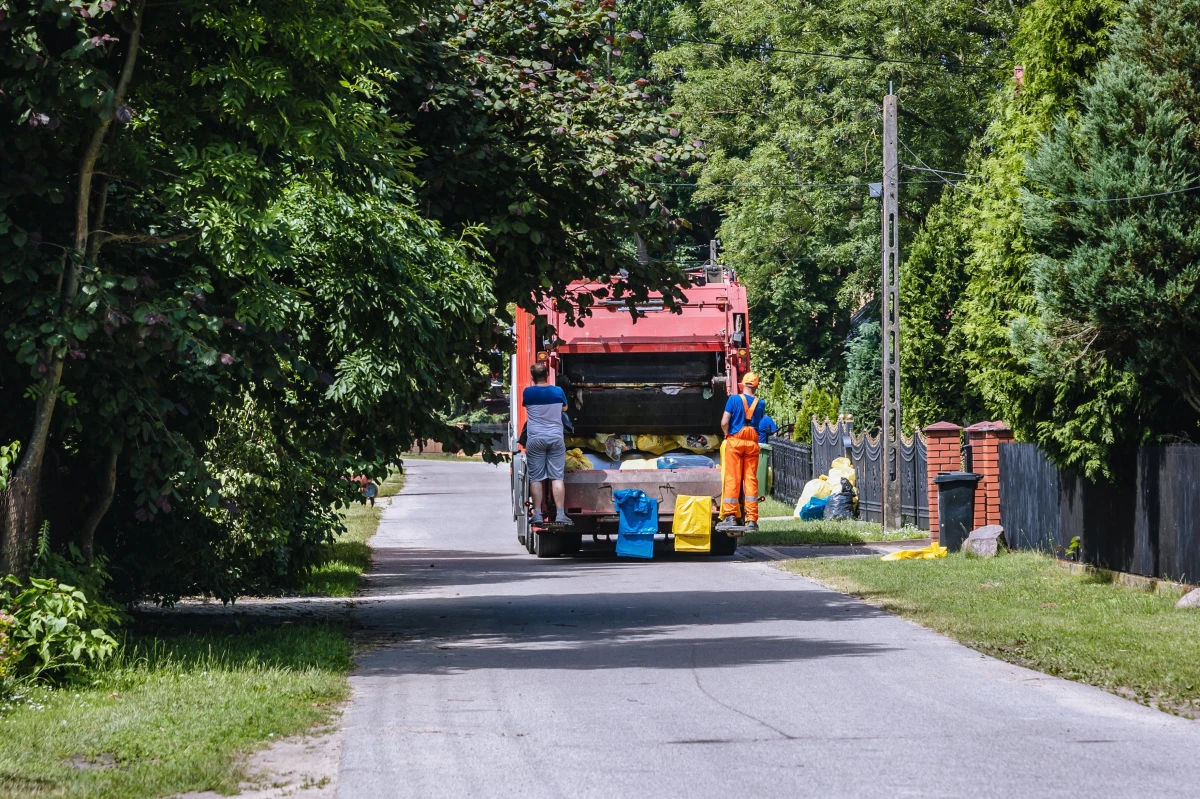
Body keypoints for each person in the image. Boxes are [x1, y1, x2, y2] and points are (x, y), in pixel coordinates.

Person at [522, 362, 572, 525]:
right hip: (555, 438)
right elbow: (565, 408)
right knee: (557, 477)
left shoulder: (528, 392)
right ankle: (560, 514)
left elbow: (527, 407)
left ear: (532, 377)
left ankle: (537, 514)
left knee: (536, 478)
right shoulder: (558, 391)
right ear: (547, 375)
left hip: (535, 439)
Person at [718, 371, 765, 533]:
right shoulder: (760, 404)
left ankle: (731, 516)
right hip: (752, 444)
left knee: (733, 478)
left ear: (742, 384)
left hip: (735, 442)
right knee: (750, 480)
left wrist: (727, 434)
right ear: (756, 386)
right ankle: (752, 520)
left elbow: (724, 422)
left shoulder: (734, 399)